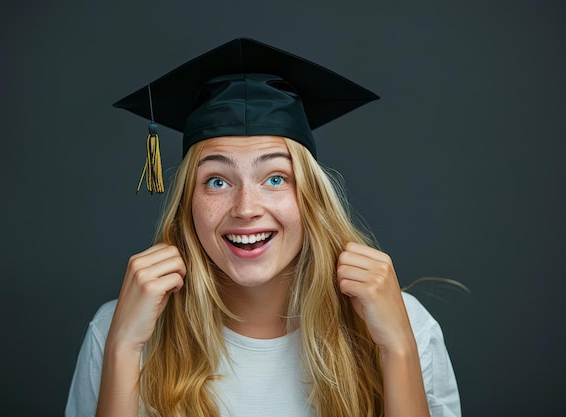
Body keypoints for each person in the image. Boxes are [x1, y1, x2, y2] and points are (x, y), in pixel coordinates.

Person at [66, 38, 461, 417]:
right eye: (217, 181)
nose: (246, 209)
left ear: (311, 197)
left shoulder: (404, 323)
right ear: (188, 202)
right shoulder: (119, 328)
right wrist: (123, 347)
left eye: (275, 178)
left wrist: (398, 347)